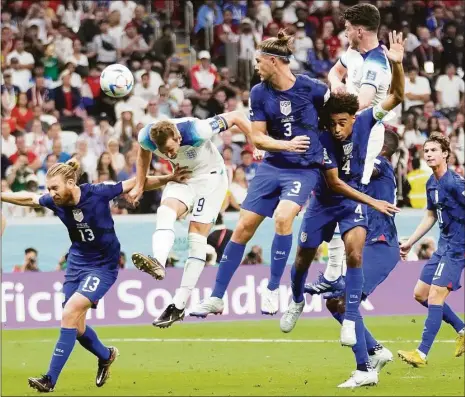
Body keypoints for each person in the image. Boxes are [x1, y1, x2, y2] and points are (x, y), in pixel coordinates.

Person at [279, 31, 405, 388]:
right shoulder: (323, 137)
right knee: (303, 258)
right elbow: (334, 183)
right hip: (325, 200)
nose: (337, 128)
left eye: (342, 122)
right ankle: (297, 299)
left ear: (356, 117)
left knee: (352, 253)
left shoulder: (368, 129)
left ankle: (355, 329)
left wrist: (395, 65)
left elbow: (396, 95)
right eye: (331, 122)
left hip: (359, 212)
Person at [0, 159, 189, 392]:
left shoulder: (98, 192)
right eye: (49, 189)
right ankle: (106, 355)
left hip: (103, 266)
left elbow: (136, 183)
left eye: (54, 188)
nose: (51, 193)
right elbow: (29, 198)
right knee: (76, 326)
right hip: (76, 264)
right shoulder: (55, 201)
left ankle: (49, 379)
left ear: (71, 183)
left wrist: (168, 178)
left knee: (69, 313)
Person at [189, 30, 328, 317]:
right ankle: (216, 297)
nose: (255, 66)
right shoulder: (259, 92)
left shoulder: (312, 88)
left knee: (283, 217)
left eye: (258, 61)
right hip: (273, 166)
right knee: (242, 228)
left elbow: (337, 116)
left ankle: (273, 288)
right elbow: (259, 138)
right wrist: (285, 145)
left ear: (275, 61)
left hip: (302, 170)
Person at [126, 109, 254, 328]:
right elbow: (143, 152)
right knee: (165, 211)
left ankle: (178, 305)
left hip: (211, 179)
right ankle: (158, 261)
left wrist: (257, 144)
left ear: (178, 137)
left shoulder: (197, 130)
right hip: (183, 176)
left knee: (196, 238)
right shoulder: (147, 136)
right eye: (163, 151)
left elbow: (236, 116)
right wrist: (139, 184)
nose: (168, 154)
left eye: (169, 149)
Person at [307, 3, 393, 297]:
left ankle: (341, 273)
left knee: (344, 195)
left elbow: (364, 104)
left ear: (359, 30)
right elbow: (336, 71)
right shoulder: (354, 54)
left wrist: (334, 103)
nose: (344, 32)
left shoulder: (378, 64)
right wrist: (335, 85)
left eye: (346, 28)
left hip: (365, 135)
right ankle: (333, 273)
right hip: (342, 129)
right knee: (330, 193)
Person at [321, 130, 401, 377]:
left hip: (381, 244)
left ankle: (364, 369)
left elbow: (365, 172)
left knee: (346, 303)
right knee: (335, 301)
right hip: (369, 245)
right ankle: (375, 350)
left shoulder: (381, 164)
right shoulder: (376, 166)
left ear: (381, 146)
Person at [398, 133, 465, 367]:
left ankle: (422, 353)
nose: (428, 154)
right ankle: (462, 329)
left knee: (435, 295)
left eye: (434, 150)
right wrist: (411, 242)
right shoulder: (431, 183)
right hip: (443, 244)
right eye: (426, 151)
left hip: (458, 248)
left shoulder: (455, 183)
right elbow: (430, 215)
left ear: (445, 153)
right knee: (420, 294)